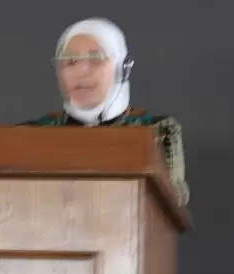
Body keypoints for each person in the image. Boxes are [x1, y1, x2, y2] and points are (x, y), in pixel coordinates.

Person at [20, 17, 190, 206]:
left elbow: (172, 203)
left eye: (96, 59)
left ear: (123, 68)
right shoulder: (30, 134)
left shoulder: (157, 131)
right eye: (71, 61)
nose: (82, 71)